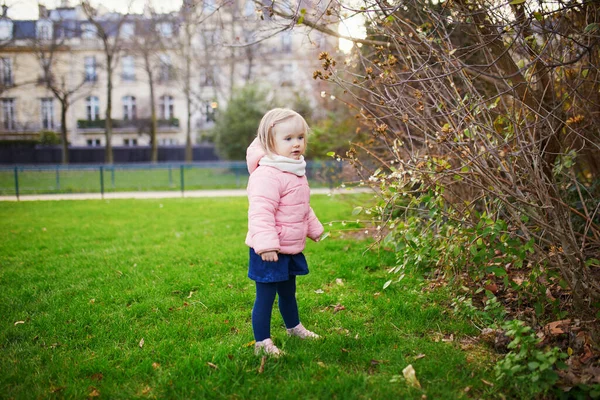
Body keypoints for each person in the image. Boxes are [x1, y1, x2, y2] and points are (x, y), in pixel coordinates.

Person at [245, 108, 324, 357]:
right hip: (268, 249)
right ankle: (262, 342)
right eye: (288, 139)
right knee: (266, 297)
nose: (296, 144)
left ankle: (294, 327)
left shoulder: (294, 169)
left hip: (289, 248)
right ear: (270, 141)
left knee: (289, 293)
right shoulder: (267, 173)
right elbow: (260, 212)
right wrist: (266, 245)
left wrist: (314, 228)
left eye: (300, 137)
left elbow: (301, 206)